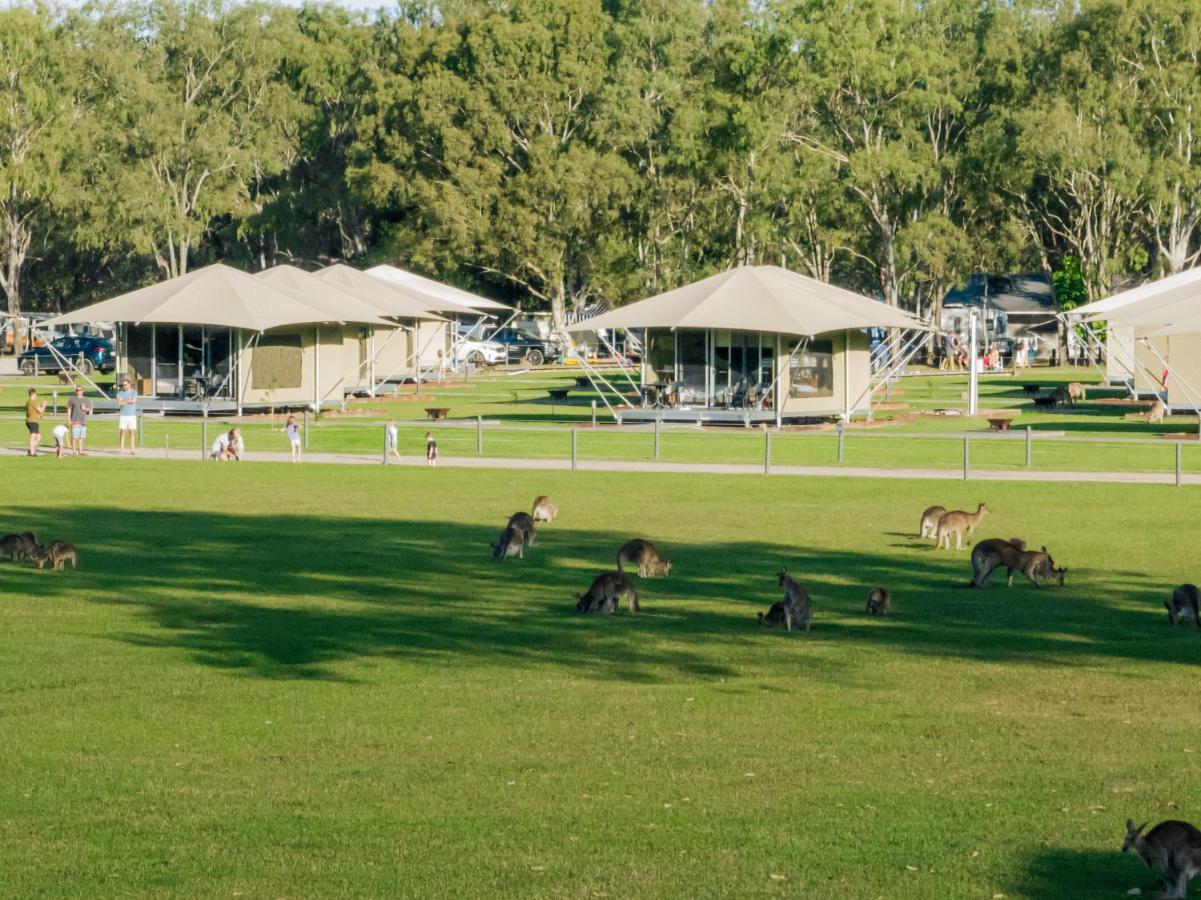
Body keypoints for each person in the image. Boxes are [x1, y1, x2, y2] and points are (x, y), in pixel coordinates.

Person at [66, 385, 92, 456]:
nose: (78, 391)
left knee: (81, 437)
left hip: (83, 421)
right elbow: (69, 410)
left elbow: (89, 409)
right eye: (77, 390)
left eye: (80, 390)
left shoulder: (86, 399)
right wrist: (69, 420)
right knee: (74, 437)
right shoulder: (72, 399)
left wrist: (85, 409)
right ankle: (74, 451)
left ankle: (81, 451)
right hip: (75, 421)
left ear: (82, 391)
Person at [116, 377, 138, 455]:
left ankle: (132, 450)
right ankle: (121, 450)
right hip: (123, 415)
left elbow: (134, 401)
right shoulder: (120, 392)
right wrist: (128, 401)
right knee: (122, 432)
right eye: (123, 385)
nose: (124, 386)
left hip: (132, 415)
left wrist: (124, 401)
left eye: (125, 385)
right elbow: (119, 403)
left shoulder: (134, 392)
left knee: (132, 432)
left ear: (129, 384)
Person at [25, 388, 46, 457]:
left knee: (39, 436)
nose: (36, 395)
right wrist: (44, 405)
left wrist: (40, 414)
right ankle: (32, 453)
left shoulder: (29, 401)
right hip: (32, 421)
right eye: (36, 394)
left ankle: (31, 449)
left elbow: (37, 411)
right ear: (33, 394)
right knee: (33, 437)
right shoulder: (32, 401)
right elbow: (40, 410)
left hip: (33, 421)